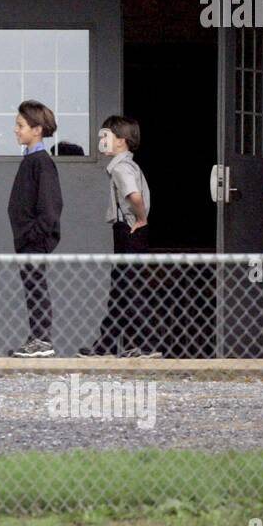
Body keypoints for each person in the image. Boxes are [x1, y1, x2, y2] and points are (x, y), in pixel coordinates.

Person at [83, 115, 161, 358]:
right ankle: (106, 345)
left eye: (106, 136)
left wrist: (140, 219)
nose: (102, 140)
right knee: (120, 288)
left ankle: (147, 344)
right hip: (128, 230)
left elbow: (134, 195)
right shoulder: (127, 165)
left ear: (122, 141)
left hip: (129, 230)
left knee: (130, 287)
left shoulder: (120, 168)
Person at [7, 101, 63, 359]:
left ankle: (42, 339)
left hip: (33, 240)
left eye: (21, 125)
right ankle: (37, 336)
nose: (16, 130)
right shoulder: (30, 160)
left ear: (37, 129)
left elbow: (51, 209)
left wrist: (32, 234)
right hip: (26, 239)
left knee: (36, 286)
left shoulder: (41, 162)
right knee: (31, 287)